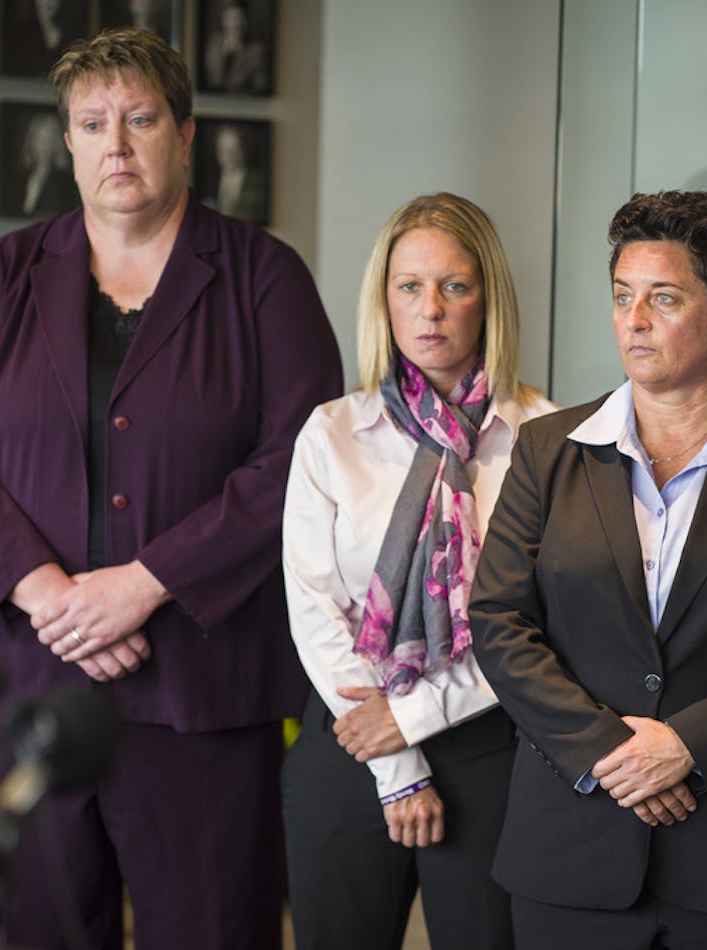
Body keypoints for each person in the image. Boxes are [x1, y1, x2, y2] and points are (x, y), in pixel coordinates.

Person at [0, 27, 342, 950]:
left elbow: (296, 465)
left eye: (140, 119)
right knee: (28, 932)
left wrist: (143, 585)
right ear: (67, 142)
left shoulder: (267, 279)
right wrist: (51, 593)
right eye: (93, 123)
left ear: (185, 133)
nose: (117, 144)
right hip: (27, 676)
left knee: (212, 932)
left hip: (203, 690)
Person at [470, 191, 707, 949]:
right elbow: (499, 619)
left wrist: (689, 748)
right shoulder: (549, 450)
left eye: (664, 298)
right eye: (622, 297)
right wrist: (611, 752)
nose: (634, 320)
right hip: (572, 846)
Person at [282, 193, 555, 950]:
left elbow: (539, 623)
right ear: (384, 299)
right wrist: (395, 757)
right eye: (409, 286)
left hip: (490, 748)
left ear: (487, 299)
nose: (430, 308)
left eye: (454, 286)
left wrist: (416, 717)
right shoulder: (333, 432)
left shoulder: (543, 436)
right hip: (351, 743)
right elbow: (314, 608)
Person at [8, 111, 80, 217]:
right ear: (31, 141)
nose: (44, 146)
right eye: (40, 139)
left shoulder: (63, 181)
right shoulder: (20, 176)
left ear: (56, 143)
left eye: (48, 140)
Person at [202, 122, 266, 223]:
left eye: (234, 149)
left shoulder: (258, 181)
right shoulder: (207, 183)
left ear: (244, 149)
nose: (229, 155)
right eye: (223, 150)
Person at [202, 0, 269, 93]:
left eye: (241, 18)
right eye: (232, 18)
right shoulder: (212, 43)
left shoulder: (256, 51)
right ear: (223, 20)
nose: (237, 24)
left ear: (248, 22)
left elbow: (260, 88)